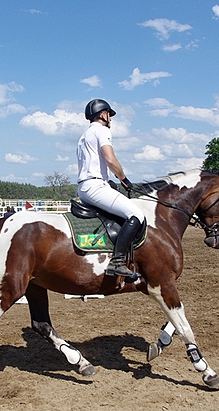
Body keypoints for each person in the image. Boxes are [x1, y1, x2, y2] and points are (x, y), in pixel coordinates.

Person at [77, 99, 145, 279]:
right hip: (95, 186)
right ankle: (118, 262)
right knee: (136, 215)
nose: (111, 119)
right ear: (102, 114)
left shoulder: (83, 136)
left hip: (84, 187)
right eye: (109, 115)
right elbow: (110, 159)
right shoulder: (102, 130)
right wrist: (123, 179)